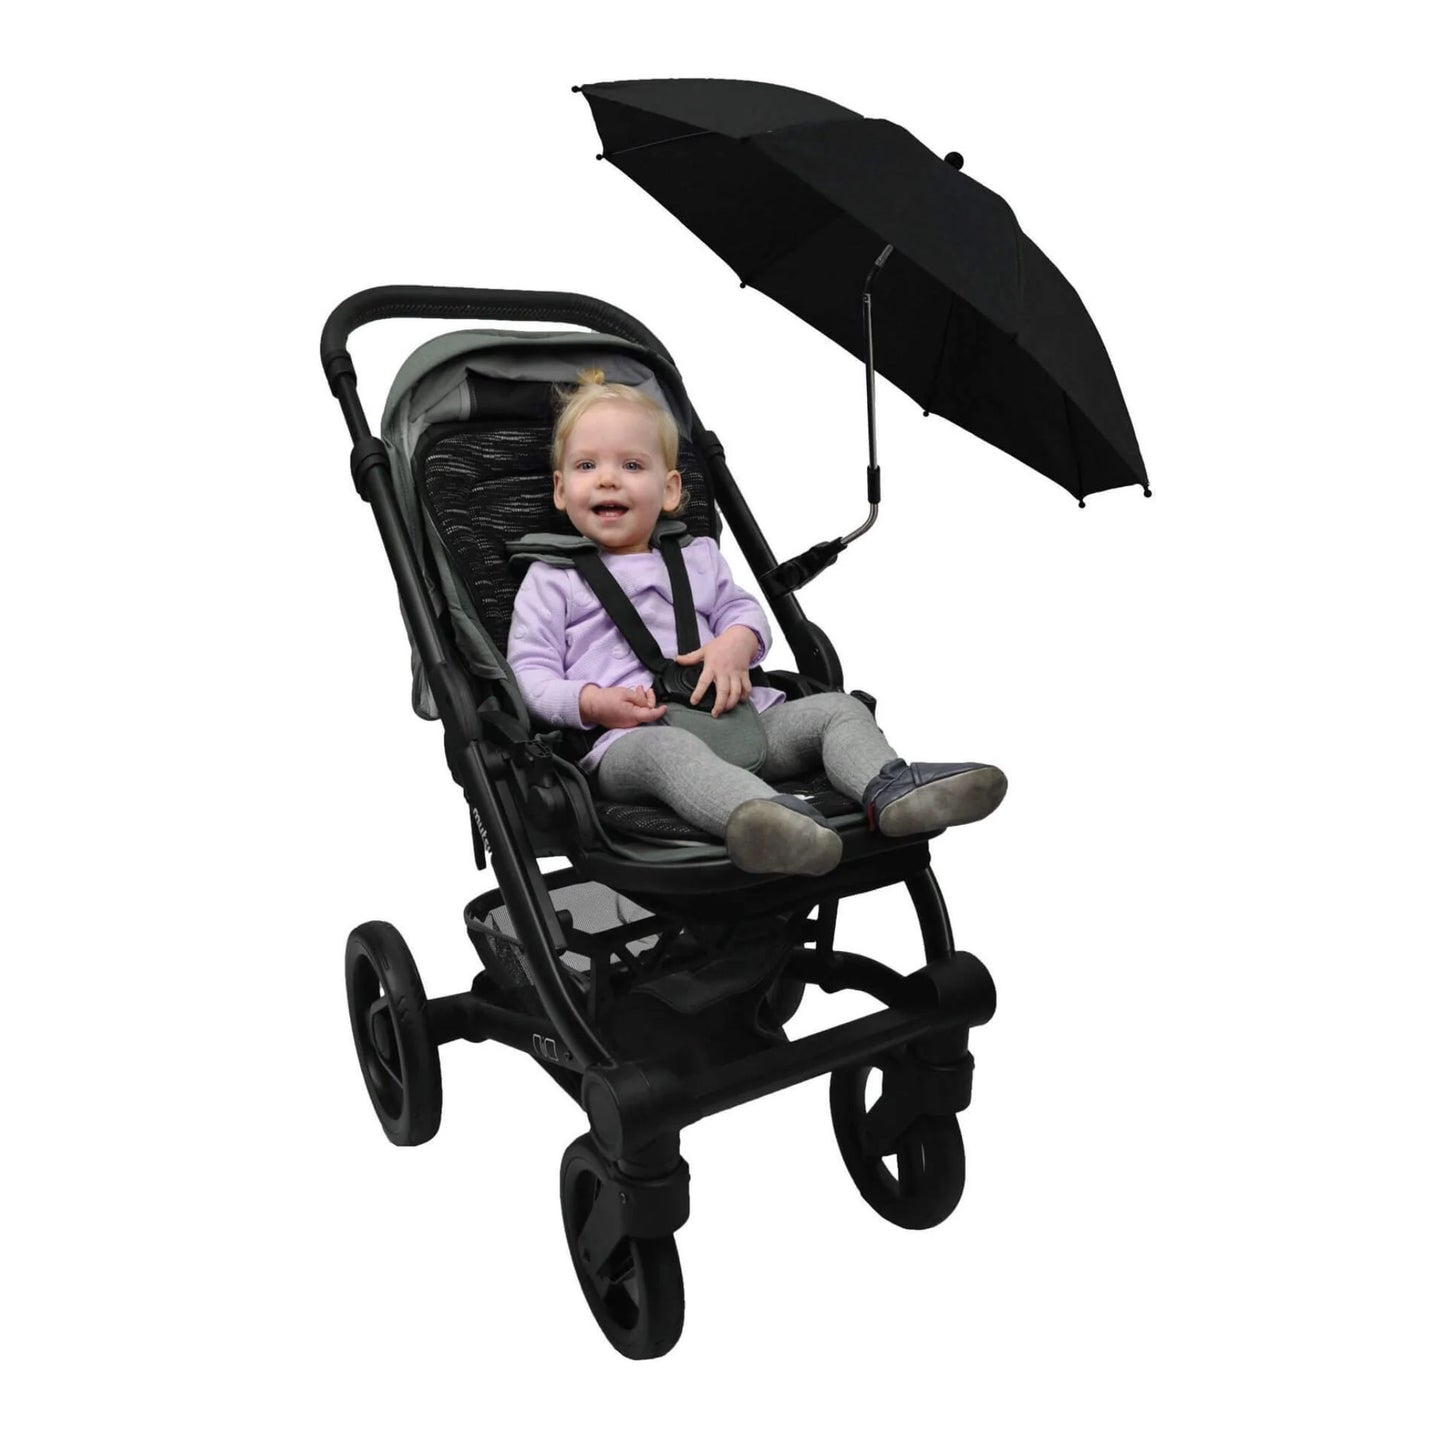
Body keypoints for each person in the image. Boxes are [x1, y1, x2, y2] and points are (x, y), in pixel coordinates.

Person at [506, 370, 1007, 876]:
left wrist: (735, 646)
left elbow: (744, 614)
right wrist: (591, 703)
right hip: (633, 741)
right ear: (560, 490)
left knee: (835, 709)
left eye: (632, 464)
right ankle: (773, 822)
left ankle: (891, 791)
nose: (608, 478)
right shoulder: (553, 580)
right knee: (670, 751)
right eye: (587, 465)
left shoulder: (697, 556)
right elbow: (528, 675)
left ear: (671, 489)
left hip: (744, 718)